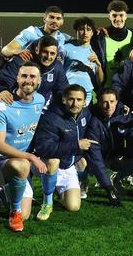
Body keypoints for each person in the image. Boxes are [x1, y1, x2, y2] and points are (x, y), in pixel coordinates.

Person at [0, 61, 47, 232]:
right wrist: (31, 157)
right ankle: (13, 212)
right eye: (24, 76)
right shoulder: (2, 104)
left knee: (27, 214)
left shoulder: (40, 100)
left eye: (33, 76)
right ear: (17, 78)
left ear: (39, 81)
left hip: (21, 162)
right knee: (22, 164)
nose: (28, 80)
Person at [32, 84, 94, 220]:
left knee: (73, 207)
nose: (75, 104)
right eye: (71, 99)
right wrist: (77, 145)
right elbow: (44, 148)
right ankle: (47, 203)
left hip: (68, 165)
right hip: (45, 164)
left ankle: (58, 192)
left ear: (84, 102)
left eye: (79, 100)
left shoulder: (85, 115)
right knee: (54, 160)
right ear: (64, 99)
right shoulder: (51, 118)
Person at [0, 35, 68, 108]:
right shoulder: (21, 61)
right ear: (37, 50)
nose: (48, 57)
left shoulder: (57, 67)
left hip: (35, 110)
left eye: (52, 53)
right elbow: (2, 79)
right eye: (45, 52)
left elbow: (62, 90)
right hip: (11, 106)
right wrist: (1, 90)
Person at [85, 88, 132, 205]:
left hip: (114, 155)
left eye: (112, 102)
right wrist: (109, 189)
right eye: (104, 102)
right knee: (82, 163)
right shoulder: (93, 121)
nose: (108, 106)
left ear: (117, 102)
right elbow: (95, 156)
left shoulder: (124, 114)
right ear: (98, 102)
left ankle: (117, 178)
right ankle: (81, 181)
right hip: (94, 157)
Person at [92, 0, 133, 87]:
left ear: (126, 16)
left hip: (128, 88)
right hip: (107, 88)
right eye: (114, 15)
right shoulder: (100, 35)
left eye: (121, 15)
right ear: (109, 16)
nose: (118, 19)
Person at [1, 5, 71, 59]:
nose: (55, 21)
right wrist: (17, 52)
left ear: (62, 22)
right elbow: (5, 50)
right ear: (44, 19)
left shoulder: (62, 37)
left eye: (58, 18)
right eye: (51, 17)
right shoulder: (31, 32)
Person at [62, 17, 104, 105]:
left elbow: (100, 82)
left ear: (92, 33)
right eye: (81, 29)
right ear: (76, 32)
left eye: (88, 30)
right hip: (69, 93)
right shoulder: (65, 48)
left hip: (88, 95)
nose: (85, 33)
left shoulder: (95, 52)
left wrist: (99, 66)